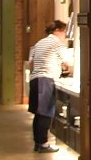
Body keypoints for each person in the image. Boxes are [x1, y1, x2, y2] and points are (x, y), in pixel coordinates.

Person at [28, 20, 68, 152]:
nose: (65, 34)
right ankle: (43, 144)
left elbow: (31, 63)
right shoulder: (56, 43)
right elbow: (68, 61)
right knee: (45, 113)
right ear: (57, 30)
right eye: (64, 31)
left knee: (38, 114)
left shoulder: (39, 43)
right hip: (45, 80)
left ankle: (38, 143)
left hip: (35, 79)